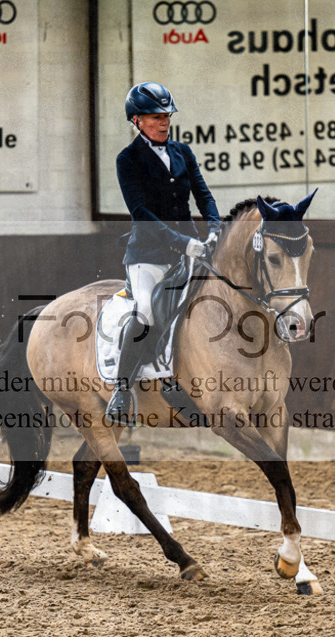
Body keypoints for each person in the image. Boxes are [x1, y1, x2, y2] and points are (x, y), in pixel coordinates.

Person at [106, 82, 222, 425]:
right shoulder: (127, 160)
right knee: (146, 313)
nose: (164, 122)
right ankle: (121, 390)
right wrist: (180, 242)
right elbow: (140, 211)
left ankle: (178, 381)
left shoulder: (183, 152)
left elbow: (203, 194)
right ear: (137, 120)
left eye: (167, 115)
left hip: (191, 248)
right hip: (149, 254)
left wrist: (215, 227)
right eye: (157, 117)